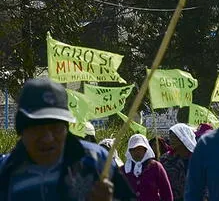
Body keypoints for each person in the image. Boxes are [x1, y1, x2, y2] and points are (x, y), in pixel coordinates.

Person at [0, 78, 134, 200]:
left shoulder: (96, 162)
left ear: (67, 127)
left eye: (56, 128)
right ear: (21, 129)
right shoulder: (6, 171)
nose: (48, 138)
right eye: (38, 129)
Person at [122, 134, 173, 201]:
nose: (136, 152)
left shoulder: (155, 166)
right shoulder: (124, 169)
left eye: (139, 149)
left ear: (145, 149)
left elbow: (166, 192)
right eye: (133, 149)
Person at [161, 123, 197, 201]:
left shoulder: (198, 158)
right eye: (170, 137)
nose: (171, 140)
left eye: (175, 137)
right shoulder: (165, 159)